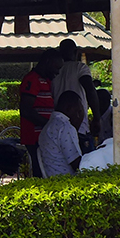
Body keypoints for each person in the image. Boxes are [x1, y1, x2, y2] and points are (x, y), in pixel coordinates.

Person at [19, 49, 64, 177]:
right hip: (35, 137)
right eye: (56, 67)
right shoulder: (32, 80)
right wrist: (50, 126)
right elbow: (26, 110)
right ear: (48, 62)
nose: (57, 72)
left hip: (44, 136)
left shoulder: (46, 80)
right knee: (41, 172)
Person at [53, 40, 99, 139]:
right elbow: (90, 90)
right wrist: (97, 117)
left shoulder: (54, 70)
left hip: (57, 126)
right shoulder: (80, 67)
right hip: (79, 125)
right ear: (76, 52)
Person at [39, 90, 87, 177]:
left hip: (52, 178)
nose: (79, 116)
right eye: (79, 111)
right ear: (69, 108)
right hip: (67, 180)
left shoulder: (49, 125)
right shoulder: (65, 127)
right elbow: (77, 164)